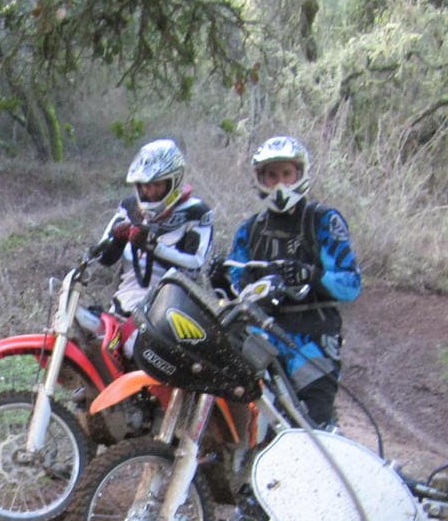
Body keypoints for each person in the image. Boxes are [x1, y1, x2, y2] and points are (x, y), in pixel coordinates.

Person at [226, 134, 361, 428]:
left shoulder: (323, 220)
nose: (279, 183)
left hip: (311, 336)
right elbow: (232, 278)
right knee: (243, 417)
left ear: (299, 174)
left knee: (314, 426)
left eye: (286, 174)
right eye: (271, 175)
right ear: (260, 179)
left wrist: (311, 275)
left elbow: (351, 284)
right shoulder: (249, 230)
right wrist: (232, 278)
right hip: (260, 334)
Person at [91, 138, 213, 318]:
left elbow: (196, 265)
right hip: (123, 305)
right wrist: (117, 241)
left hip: (169, 312)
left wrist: (153, 247)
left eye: (158, 185)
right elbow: (101, 257)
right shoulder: (129, 207)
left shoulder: (196, 212)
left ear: (174, 182)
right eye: (146, 185)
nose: (151, 191)